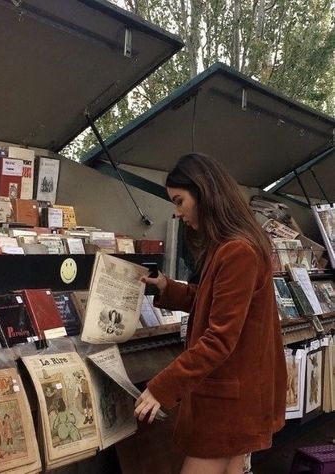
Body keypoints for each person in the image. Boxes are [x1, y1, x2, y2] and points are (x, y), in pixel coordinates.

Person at [134, 153, 287, 474]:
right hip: (236, 398)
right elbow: (213, 302)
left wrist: (161, 388)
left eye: (179, 201)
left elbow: (219, 338)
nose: (177, 212)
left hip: (227, 403)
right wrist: (166, 286)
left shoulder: (236, 251)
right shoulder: (234, 245)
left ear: (204, 193)